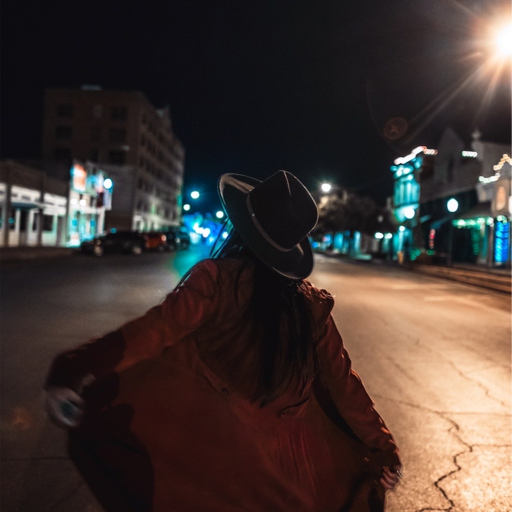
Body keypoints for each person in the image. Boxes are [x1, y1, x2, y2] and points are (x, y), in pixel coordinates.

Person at [44, 170, 401, 512]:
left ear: (242, 227)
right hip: (284, 480)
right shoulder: (310, 307)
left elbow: (152, 333)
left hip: (212, 467)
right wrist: (383, 448)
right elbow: (346, 387)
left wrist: (76, 367)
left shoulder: (214, 280)